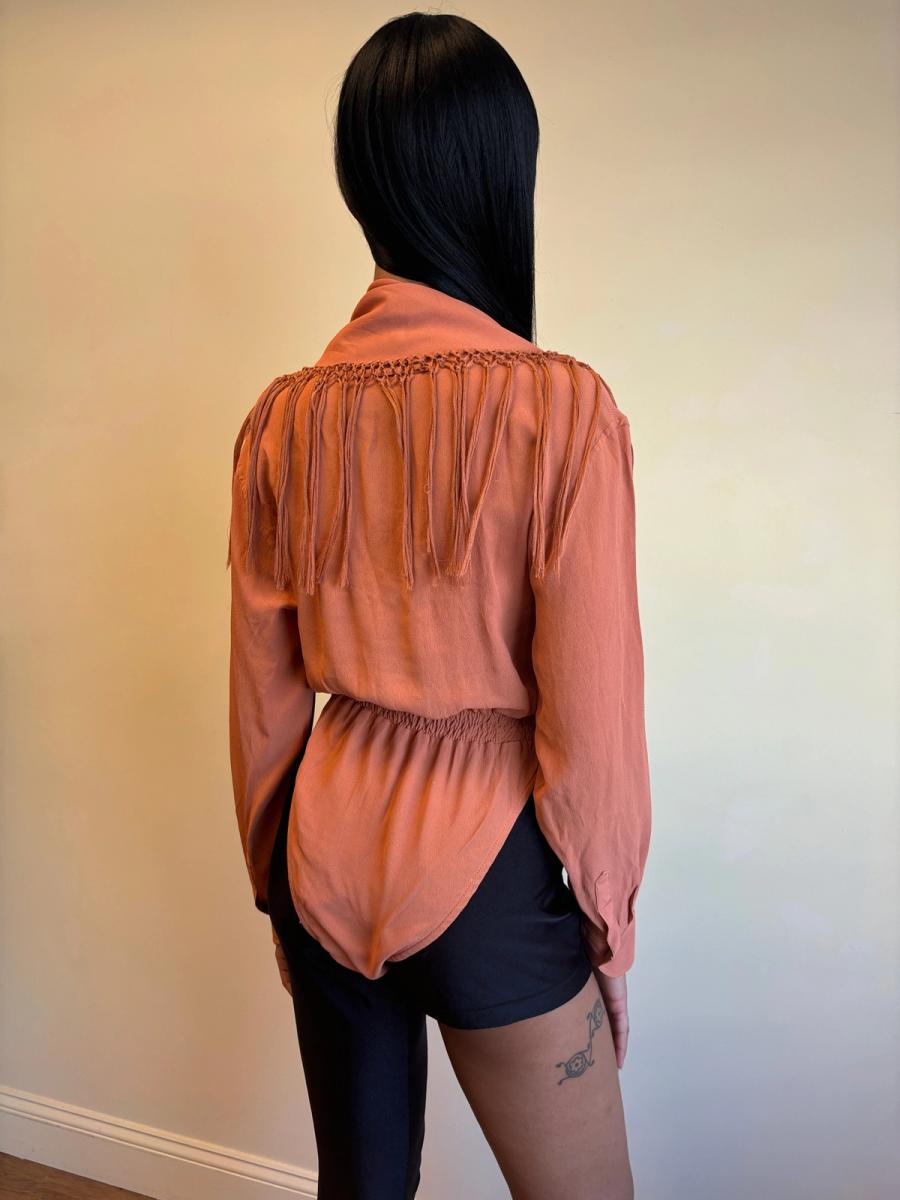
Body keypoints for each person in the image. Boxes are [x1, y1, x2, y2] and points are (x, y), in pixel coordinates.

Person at [227, 12, 651, 1199]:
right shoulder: (563, 410)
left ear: (361, 181)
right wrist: (607, 925)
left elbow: (262, 700)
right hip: (490, 872)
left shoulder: (280, 420)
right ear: (503, 174)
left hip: (321, 845)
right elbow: (593, 719)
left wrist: (278, 891)